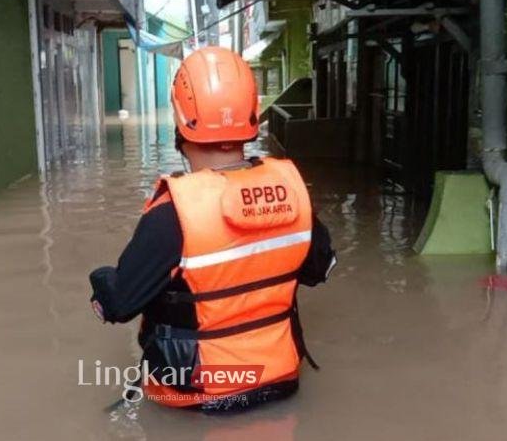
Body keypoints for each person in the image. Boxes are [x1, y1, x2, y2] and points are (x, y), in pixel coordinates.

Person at [90, 47, 336, 412]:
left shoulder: (172, 214)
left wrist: (102, 281)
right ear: (252, 112)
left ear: (180, 119)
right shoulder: (292, 194)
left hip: (198, 396)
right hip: (281, 381)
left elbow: (120, 304)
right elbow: (319, 270)